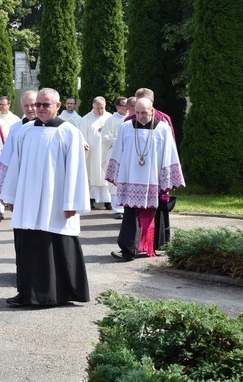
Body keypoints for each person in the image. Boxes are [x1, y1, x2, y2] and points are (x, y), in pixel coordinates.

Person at [0, 88, 91, 307]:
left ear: (57, 106)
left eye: (45, 105)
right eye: (37, 105)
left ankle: (56, 293)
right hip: (27, 200)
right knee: (28, 246)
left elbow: (76, 170)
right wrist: (10, 195)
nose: (39, 109)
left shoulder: (69, 132)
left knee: (54, 244)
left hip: (56, 201)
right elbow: (15, 165)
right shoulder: (24, 131)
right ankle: (27, 293)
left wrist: (72, 203)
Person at [107, 96, 185, 261]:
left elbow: (169, 154)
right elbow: (118, 152)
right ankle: (128, 249)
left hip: (153, 180)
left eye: (144, 112)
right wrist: (116, 173)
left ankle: (153, 246)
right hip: (130, 179)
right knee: (130, 214)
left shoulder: (163, 129)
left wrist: (167, 179)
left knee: (154, 212)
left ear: (152, 110)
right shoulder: (126, 127)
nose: (140, 116)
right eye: (137, 112)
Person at [0, 90, 37, 195]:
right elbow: (7, 156)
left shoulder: (48, 128)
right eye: (26, 106)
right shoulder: (16, 127)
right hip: (20, 176)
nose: (30, 109)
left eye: (33, 105)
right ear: (21, 107)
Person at [100, 97, 133, 219]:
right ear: (118, 107)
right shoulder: (110, 120)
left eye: (128, 105)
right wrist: (117, 140)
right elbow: (104, 137)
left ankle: (127, 207)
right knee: (116, 182)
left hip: (128, 155)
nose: (127, 107)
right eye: (124, 105)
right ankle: (117, 209)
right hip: (114, 154)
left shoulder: (131, 119)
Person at [79, 97, 112, 210]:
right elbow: (81, 134)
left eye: (102, 108)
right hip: (92, 153)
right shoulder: (86, 119)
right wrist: (83, 143)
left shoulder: (110, 118)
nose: (100, 110)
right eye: (98, 108)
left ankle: (108, 201)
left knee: (106, 175)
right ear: (93, 106)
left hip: (105, 152)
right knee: (91, 174)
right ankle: (91, 199)